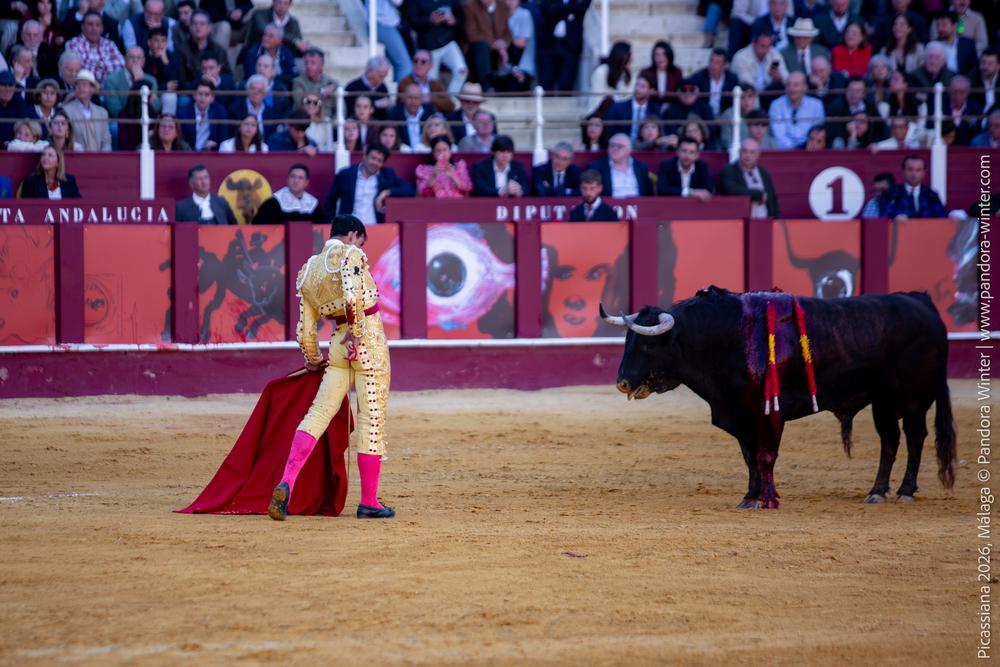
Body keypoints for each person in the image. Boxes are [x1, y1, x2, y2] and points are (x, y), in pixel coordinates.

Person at [268, 214, 396, 521]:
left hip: (337, 347)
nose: (361, 247)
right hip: (365, 341)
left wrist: (313, 362)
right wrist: (356, 332)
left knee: (318, 413)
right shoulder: (351, 255)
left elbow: (305, 332)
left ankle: (287, 481)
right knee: (371, 420)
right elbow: (353, 297)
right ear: (352, 234)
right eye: (361, 241)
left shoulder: (309, 270)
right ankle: (368, 502)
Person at [325, 143, 415, 225]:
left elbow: (410, 190)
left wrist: (386, 192)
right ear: (365, 156)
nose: (375, 163)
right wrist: (331, 225)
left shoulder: (386, 175)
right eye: (373, 158)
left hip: (374, 227)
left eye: (379, 160)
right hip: (349, 229)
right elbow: (331, 201)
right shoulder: (346, 174)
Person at [406, 0, 468, 95]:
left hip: (448, 42)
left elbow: (461, 17)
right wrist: (429, 20)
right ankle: (433, 107)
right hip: (429, 48)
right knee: (431, 83)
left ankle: (450, 100)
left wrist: (454, 21)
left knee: (462, 71)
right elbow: (412, 21)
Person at [717, 138, 780, 217]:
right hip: (740, 220)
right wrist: (758, 195)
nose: (748, 155)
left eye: (752, 152)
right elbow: (731, 190)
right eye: (745, 151)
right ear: (739, 152)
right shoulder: (729, 170)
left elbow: (772, 198)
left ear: (758, 155)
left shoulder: (763, 172)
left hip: (765, 219)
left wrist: (777, 219)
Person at [538, 0, 589, 92]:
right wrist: (568, 11)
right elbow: (545, 9)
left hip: (570, 46)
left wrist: (559, 9)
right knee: (546, 82)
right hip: (549, 44)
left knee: (566, 83)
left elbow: (582, 7)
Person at [463, 0, 512, 90]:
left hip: (498, 50)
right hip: (476, 50)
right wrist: (495, 44)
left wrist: (504, 44)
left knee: (514, 47)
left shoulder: (502, 5)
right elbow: (472, 35)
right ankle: (486, 86)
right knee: (482, 46)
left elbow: (507, 32)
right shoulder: (470, 6)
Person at [64, 10, 124, 84]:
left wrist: (94, 65)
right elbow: (80, 71)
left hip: (107, 90)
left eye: (97, 25)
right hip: (82, 90)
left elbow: (121, 65)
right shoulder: (72, 44)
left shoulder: (109, 44)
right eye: (90, 24)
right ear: (82, 27)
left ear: (102, 28)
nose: (94, 28)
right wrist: (105, 68)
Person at [768, 71, 825, 149]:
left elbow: (816, 133)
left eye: (796, 85)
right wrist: (793, 150)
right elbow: (779, 136)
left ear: (805, 87)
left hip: (809, 149)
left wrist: (803, 148)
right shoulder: (776, 105)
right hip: (783, 150)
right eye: (788, 84)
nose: (791, 88)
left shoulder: (816, 105)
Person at [252, 163, 324, 224]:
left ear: (306, 183)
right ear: (287, 179)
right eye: (293, 176)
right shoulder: (273, 203)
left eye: (300, 178)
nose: (296, 181)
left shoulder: (313, 204)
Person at [587, 133, 652, 198]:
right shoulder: (597, 166)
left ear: (629, 150)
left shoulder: (640, 166)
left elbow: (648, 193)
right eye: (612, 145)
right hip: (609, 206)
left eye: (619, 146)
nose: (614, 148)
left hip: (639, 205)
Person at [883, 155, 947, 221]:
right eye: (910, 169)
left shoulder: (931, 195)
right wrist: (894, 219)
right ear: (903, 171)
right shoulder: (892, 194)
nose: (914, 174)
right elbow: (884, 218)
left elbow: (942, 218)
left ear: (923, 172)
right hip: (901, 231)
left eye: (918, 170)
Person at [61, 68, 112, 151]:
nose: (81, 87)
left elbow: (106, 142)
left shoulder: (102, 113)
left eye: (84, 84)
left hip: (99, 160)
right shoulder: (66, 111)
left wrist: (104, 159)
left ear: (92, 89)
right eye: (78, 85)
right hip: (76, 159)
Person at [103, 46, 157, 118]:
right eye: (131, 57)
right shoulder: (111, 80)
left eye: (138, 57)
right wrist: (137, 84)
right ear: (125, 60)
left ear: (143, 61)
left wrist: (141, 82)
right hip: (123, 122)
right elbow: (115, 111)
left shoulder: (151, 80)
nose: (135, 60)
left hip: (145, 120)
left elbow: (156, 107)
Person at [244, 0, 310, 60]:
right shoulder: (259, 14)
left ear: (290, 4)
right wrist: (293, 40)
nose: (282, 6)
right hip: (257, 56)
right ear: (273, 2)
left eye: (285, 3)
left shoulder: (293, 22)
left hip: (282, 60)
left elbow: (297, 45)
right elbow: (265, 30)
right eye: (279, 2)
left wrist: (303, 48)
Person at [731, 27, 789, 94]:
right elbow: (747, 84)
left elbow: (787, 79)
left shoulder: (774, 54)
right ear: (753, 43)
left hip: (769, 95)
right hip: (748, 97)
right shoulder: (741, 58)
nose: (766, 50)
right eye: (762, 46)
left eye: (768, 46)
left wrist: (780, 78)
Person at [397, 49, 455, 114]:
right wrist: (431, 102)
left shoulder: (436, 84)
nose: (418, 64)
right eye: (416, 61)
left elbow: (450, 106)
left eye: (423, 62)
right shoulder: (404, 83)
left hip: (433, 120)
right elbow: (404, 104)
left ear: (430, 66)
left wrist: (431, 98)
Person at [603, 77, 661, 141]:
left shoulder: (655, 110)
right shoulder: (618, 108)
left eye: (642, 86)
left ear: (651, 91)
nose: (637, 89)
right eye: (636, 85)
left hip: (647, 147)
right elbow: (609, 132)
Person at [178, 78, 229, 151]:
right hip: (189, 153)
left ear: (212, 98)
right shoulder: (183, 113)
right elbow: (182, 140)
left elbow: (223, 138)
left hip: (211, 153)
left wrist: (215, 144)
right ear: (194, 96)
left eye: (206, 94)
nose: (203, 98)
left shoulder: (219, 112)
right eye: (200, 94)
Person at [690, 48, 739, 117]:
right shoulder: (699, 77)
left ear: (724, 66)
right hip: (704, 115)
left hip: (724, 115)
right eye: (711, 60)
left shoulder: (732, 79)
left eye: (717, 62)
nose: (712, 65)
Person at [292, 48, 338, 120]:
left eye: (313, 63)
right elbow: (299, 103)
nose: (308, 66)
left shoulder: (332, 83)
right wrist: (322, 91)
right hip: (304, 123)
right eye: (306, 63)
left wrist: (333, 124)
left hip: (326, 124)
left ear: (321, 66)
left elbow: (341, 108)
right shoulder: (298, 82)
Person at [388, 82, 435, 149]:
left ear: (422, 99)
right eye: (410, 98)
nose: (413, 102)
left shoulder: (430, 113)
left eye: (416, 98)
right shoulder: (394, 114)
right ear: (403, 98)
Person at [344, 55, 391, 120]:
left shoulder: (383, 87)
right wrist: (376, 104)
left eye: (384, 76)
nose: (383, 79)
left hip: (379, 127)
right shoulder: (352, 87)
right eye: (381, 76)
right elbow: (353, 110)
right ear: (370, 71)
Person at [931, 11, 977, 76]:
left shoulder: (968, 44)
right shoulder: (933, 46)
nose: (940, 28)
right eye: (938, 25)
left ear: (954, 26)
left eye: (944, 25)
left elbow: (973, 69)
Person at [639, 40, 683, 106]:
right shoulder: (646, 72)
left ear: (669, 56)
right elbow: (639, 95)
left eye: (664, 54)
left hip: (671, 109)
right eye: (657, 54)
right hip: (651, 109)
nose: (660, 58)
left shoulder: (676, 72)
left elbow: (679, 95)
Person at [0, 70, 28, 145]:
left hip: (13, 146)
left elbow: (23, 125)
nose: (7, 89)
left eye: (10, 85)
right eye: (3, 85)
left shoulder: (19, 102)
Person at [970, 48, 997, 112]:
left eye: (990, 63)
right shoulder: (972, 80)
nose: (986, 66)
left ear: (998, 66)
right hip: (979, 117)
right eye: (983, 62)